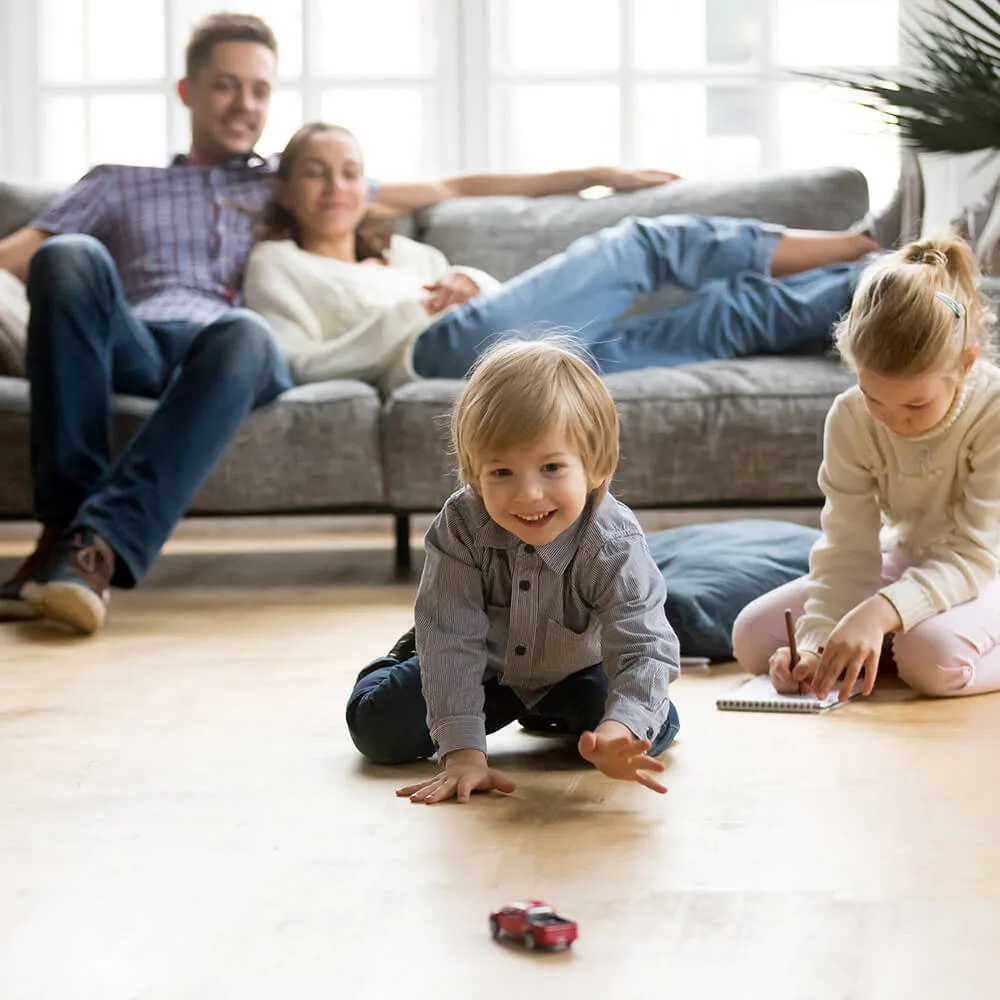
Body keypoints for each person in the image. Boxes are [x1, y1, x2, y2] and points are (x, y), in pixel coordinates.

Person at [0, 15, 680, 634]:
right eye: (225, 86)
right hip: (139, 342)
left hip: (233, 355)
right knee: (68, 255)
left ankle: (91, 548)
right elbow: (14, 258)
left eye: (259, 90)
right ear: (188, 90)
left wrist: (599, 172)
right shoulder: (117, 182)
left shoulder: (285, 181)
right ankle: (64, 534)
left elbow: (455, 189)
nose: (244, 104)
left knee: (244, 332)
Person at [243, 122, 895, 394]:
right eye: (315, 173)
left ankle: (882, 281)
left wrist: (472, 281)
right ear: (284, 188)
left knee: (721, 316)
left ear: (368, 186)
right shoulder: (279, 264)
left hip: (516, 360)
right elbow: (293, 366)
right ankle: (862, 238)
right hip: (434, 358)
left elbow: (505, 313)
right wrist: (409, 314)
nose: (335, 188)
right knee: (642, 246)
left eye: (349, 172)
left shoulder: (410, 253)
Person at [346, 339, 681, 803]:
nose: (527, 495)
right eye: (501, 473)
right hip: (482, 662)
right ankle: (406, 653)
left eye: (551, 467)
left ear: (597, 467)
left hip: (577, 667)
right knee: (378, 732)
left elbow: (644, 646)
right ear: (473, 475)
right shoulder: (462, 524)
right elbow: (452, 641)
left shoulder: (613, 541)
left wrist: (618, 729)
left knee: (651, 728)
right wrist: (463, 753)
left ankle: (551, 709)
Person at [732, 236, 1000, 702]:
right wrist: (816, 646)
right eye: (875, 397)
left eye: (915, 404)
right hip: (913, 558)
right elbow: (847, 547)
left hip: (987, 565)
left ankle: (903, 641)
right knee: (754, 638)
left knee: (931, 662)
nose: (893, 421)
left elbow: (976, 553)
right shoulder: (851, 416)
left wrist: (878, 614)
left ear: (964, 364)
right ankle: (891, 642)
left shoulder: (992, 409)